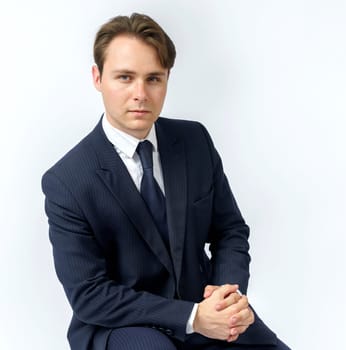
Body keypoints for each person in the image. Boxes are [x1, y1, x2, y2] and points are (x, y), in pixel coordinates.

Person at [42, 13, 290, 350]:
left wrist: (225, 297)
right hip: (121, 326)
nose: (140, 93)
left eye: (153, 79)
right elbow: (90, 294)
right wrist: (191, 316)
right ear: (97, 78)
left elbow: (229, 230)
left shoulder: (194, 141)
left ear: (167, 79)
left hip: (205, 308)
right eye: (125, 77)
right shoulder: (67, 180)